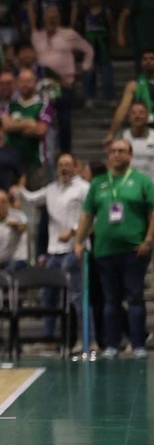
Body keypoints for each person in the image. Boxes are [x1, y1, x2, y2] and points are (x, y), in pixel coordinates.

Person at [74, 139, 154, 356]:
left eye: (122, 151)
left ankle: (137, 344)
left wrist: (148, 240)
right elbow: (87, 214)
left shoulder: (142, 181)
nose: (117, 155)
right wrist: (78, 241)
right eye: (113, 151)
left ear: (130, 155)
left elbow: (152, 212)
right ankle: (112, 344)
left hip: (134, 251)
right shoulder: (98, 183)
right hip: (104, 251)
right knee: (110, 300)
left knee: (134, 297)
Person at [16, 153, 90, 344]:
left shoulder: (84, 188)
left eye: (67, 165)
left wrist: (74, 231)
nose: (64, 168)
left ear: (76, 167)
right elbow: (31, 199)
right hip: (53, 251)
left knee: (76, 296)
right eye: (60, 165)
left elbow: (92, 217)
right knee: (48, 295)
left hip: (75, 248)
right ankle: (49, 337)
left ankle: (88, 340)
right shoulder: (51, 190)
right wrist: (19, 188)